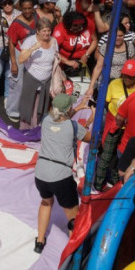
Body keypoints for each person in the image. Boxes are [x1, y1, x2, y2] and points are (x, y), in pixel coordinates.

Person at [33, 94, 91, 254]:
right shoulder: (74, 127)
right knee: (73, 217)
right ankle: (73, 253)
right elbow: (90, 138)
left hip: (41, 173)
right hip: (61, 176)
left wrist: (76, 109)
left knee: (46, 202)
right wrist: (91, 118)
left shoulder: (46, 120)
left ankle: (39, 241)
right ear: (68, 109)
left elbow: (60, 120)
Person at [17, 19, 59, 128]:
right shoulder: (30, 41)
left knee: (41, 106)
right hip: (31, 79)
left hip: (46, 81)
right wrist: (33, 48)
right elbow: (20, 59)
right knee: (28, 106)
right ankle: (26, 130)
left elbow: (56, 58)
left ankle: (37, 129)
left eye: (49, 30)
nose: (47, 33)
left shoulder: (54, 41)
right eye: (44, 31)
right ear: (37, 31)